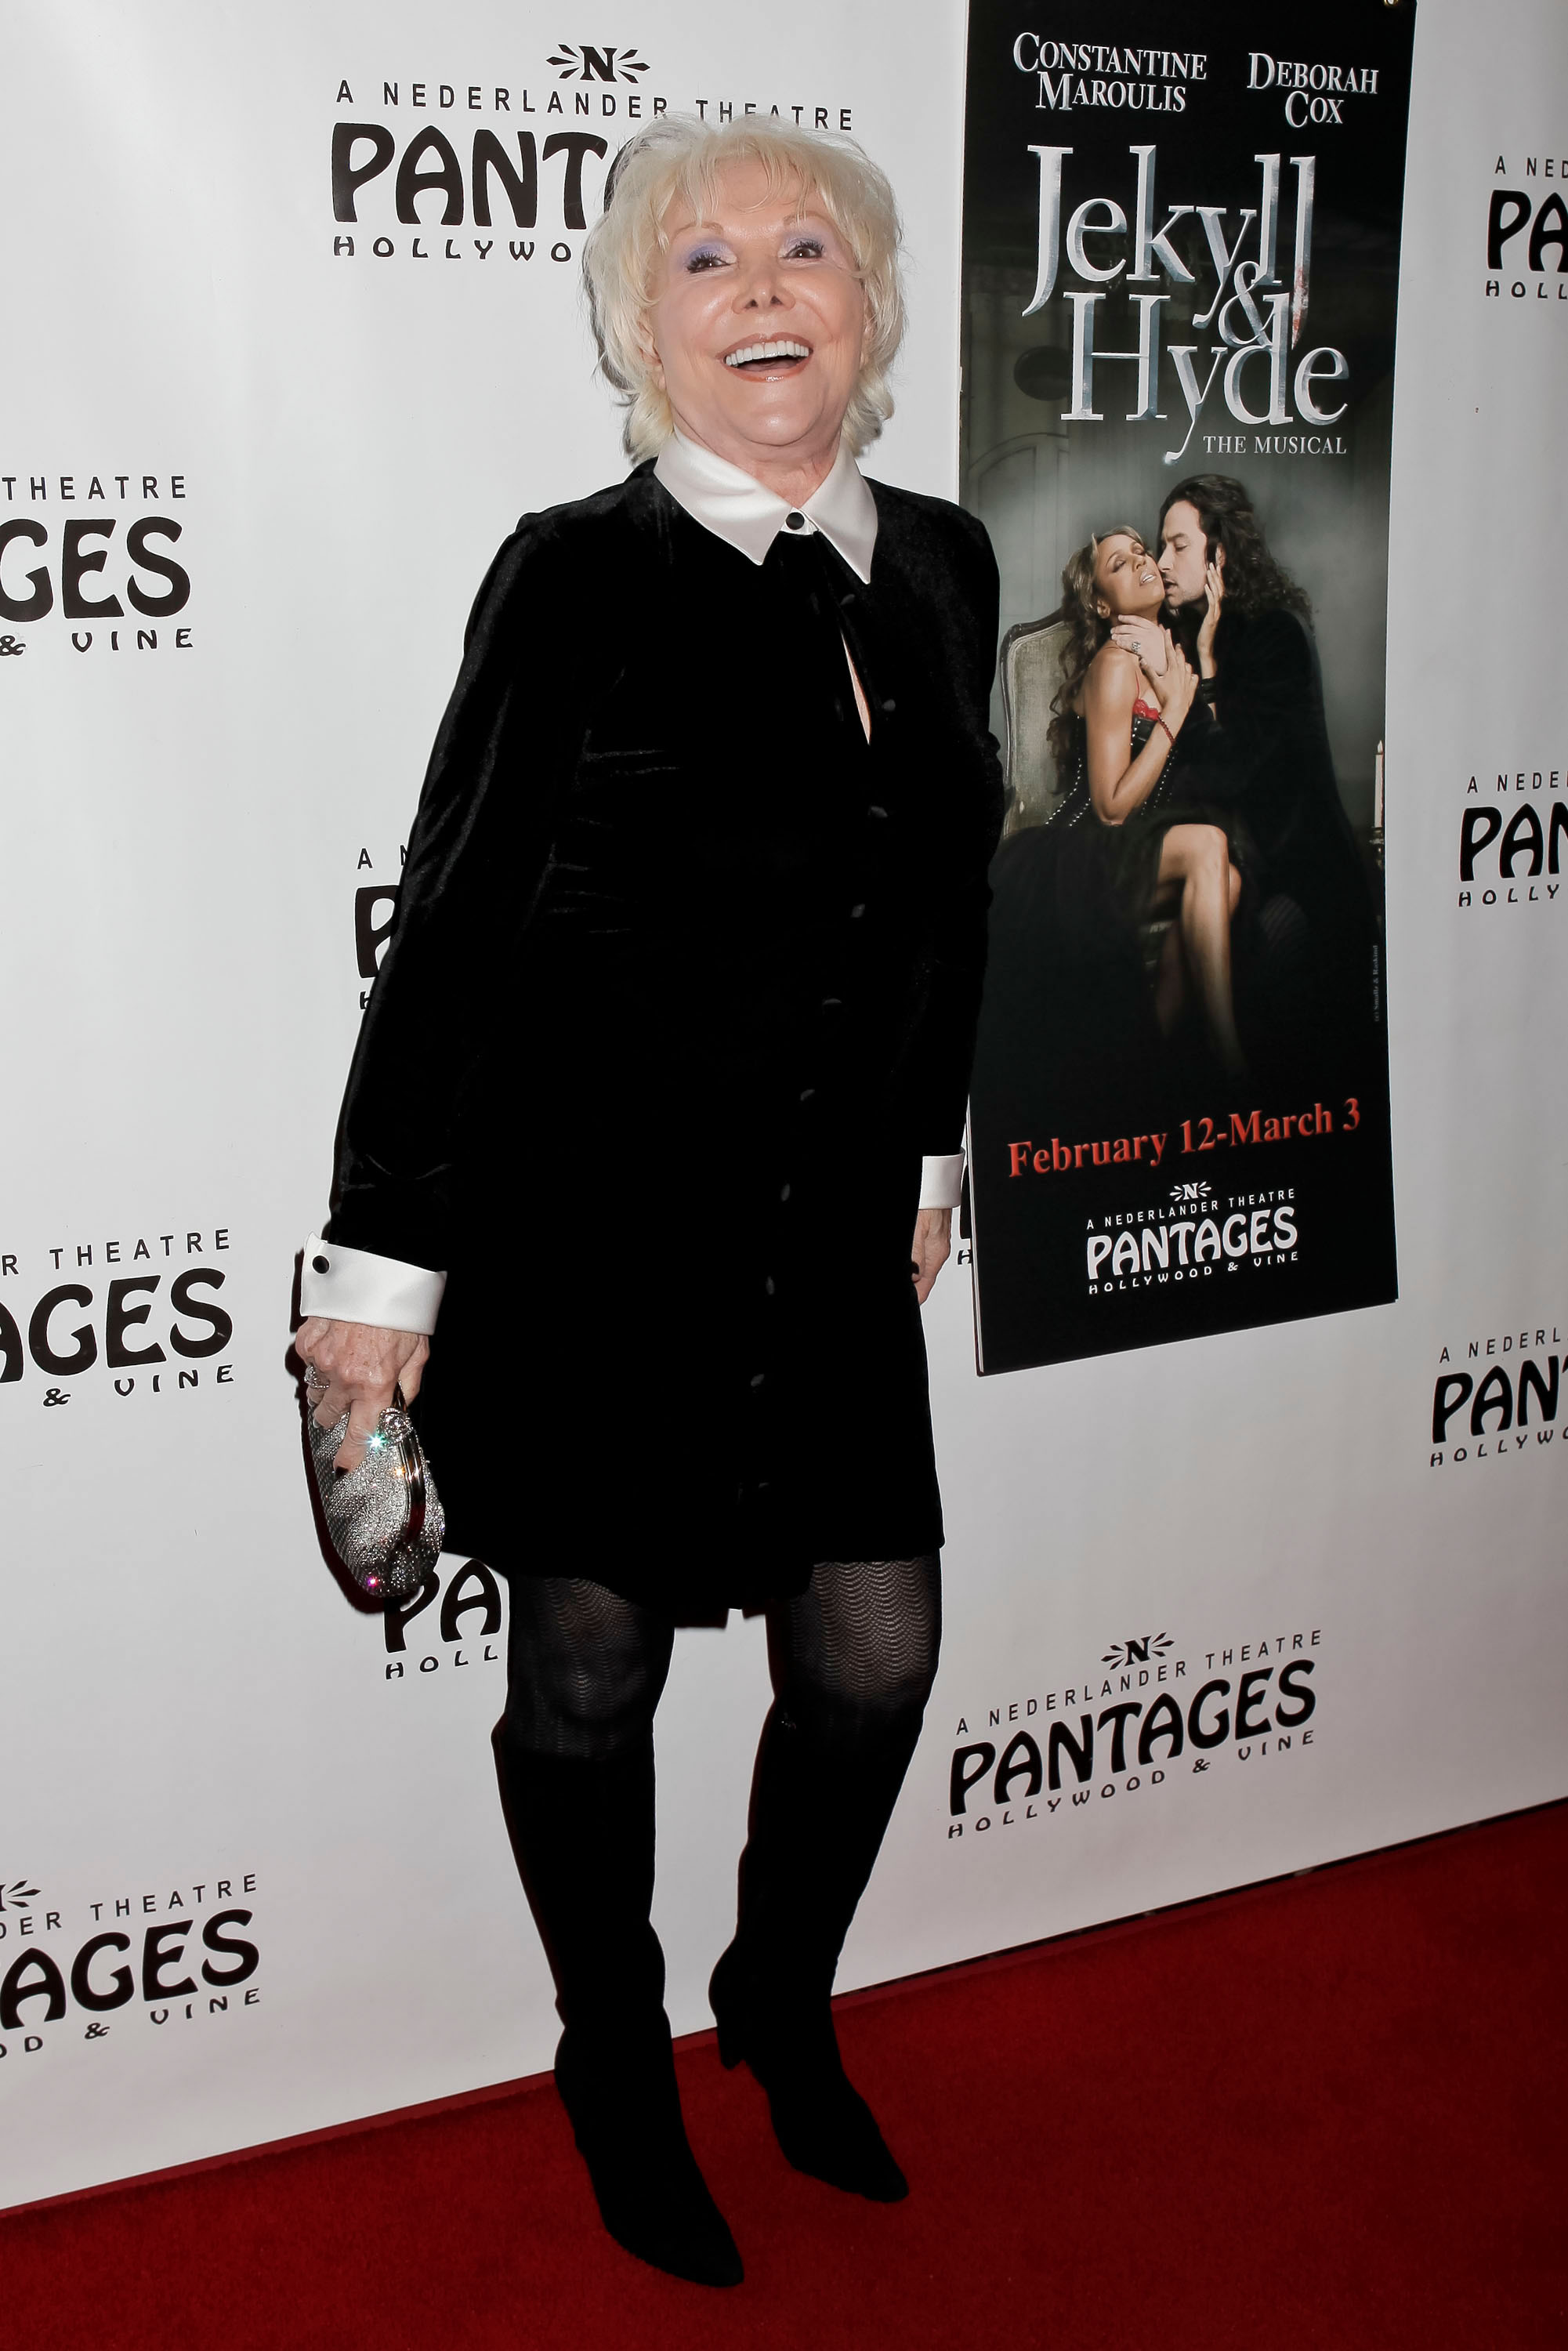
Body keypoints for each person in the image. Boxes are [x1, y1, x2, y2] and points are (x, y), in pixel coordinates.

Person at [291, 118, 1003, 2290]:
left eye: (810, 249)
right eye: (708, 261)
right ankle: (613, 2049)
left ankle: (772, 1995)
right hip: (588, 1228)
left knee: (873, 1652)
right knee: (589, 1673)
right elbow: (459, 928)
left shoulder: (948, 564)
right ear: (644, 321)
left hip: (824, 1222)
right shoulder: (576, 572)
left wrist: (927, 1141)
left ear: (871, 305)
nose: (765, 288)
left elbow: (948, 901)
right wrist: (378, 1273)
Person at [1114, 475, 1373, 1041]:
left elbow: (1231, 773)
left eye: (1177, 546)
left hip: (1300, 876)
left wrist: (1193, 682)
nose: (1160, 562)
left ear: (1219, 553)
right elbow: (1184, 781)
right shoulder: (1187, 636)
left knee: (1269, 1026)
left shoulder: (1273, 635)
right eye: (1161, 546)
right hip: (1239, 860)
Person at [1010, 527, 1244, 1070]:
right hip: (1077, 852)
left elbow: (1219, 775)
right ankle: (1231, 1059)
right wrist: (1175, 712)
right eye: (1118, 562)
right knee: (1209, 846)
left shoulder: (1169, 662)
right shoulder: (1114, 665)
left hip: (1132, 851)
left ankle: (1140, 1065)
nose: (1140, 559)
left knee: (1226, 877)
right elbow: (1111, 808)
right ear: (1100, 601)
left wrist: (1201, 665)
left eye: (1140, 550)